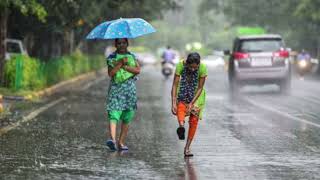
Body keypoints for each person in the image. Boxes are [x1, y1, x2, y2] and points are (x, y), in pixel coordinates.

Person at [105, 38, 141, 151]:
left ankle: (121, 142)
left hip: (129, 90)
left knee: (127, 116)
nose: (121, 45)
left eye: (124, 43)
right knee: (113, 113)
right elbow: (111, 73)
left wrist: (125, 66)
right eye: (119, 43)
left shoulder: (132, 56)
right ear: (115, 44)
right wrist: (120, 63)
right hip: (116, 89)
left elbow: (137, 70)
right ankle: (113, 140)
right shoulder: (111, 58)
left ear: (127, 44)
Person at [171, 52, 207, 157]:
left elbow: (200, 87)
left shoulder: (203, 68)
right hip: (182, 91)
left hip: (197, 95)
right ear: (186, 63)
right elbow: (175, 85)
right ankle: (181, 127)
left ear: (199, 65)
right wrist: (173, 102)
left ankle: (187, 148)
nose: (192, 70)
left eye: (195, 68)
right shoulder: (180, 65)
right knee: (180, 108)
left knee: (194, 120)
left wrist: (192, 103)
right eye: (190, 67)